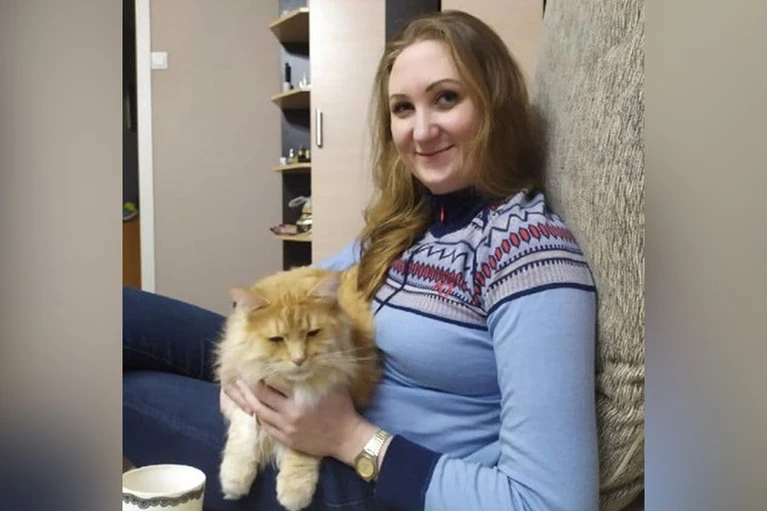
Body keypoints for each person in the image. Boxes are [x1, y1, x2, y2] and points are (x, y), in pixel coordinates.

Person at [124, 10, 598, 511]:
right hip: (317, 391)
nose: (421, 131)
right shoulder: (405, 225)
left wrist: (347, 437)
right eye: (402, 108)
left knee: (126, 389)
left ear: (495, 104)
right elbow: (300, 297)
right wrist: (243, 369)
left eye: (445, 98)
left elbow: (550, 503)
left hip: (379, 481)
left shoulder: (529, 253)